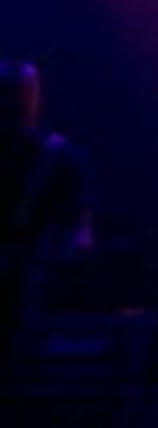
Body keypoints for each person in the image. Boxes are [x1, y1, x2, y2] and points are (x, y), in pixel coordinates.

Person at [1, 60, 94, 360]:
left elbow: (78, 232)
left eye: (22, 93)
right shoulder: (58, 156)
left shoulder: (56, 156)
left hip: (28, 291)